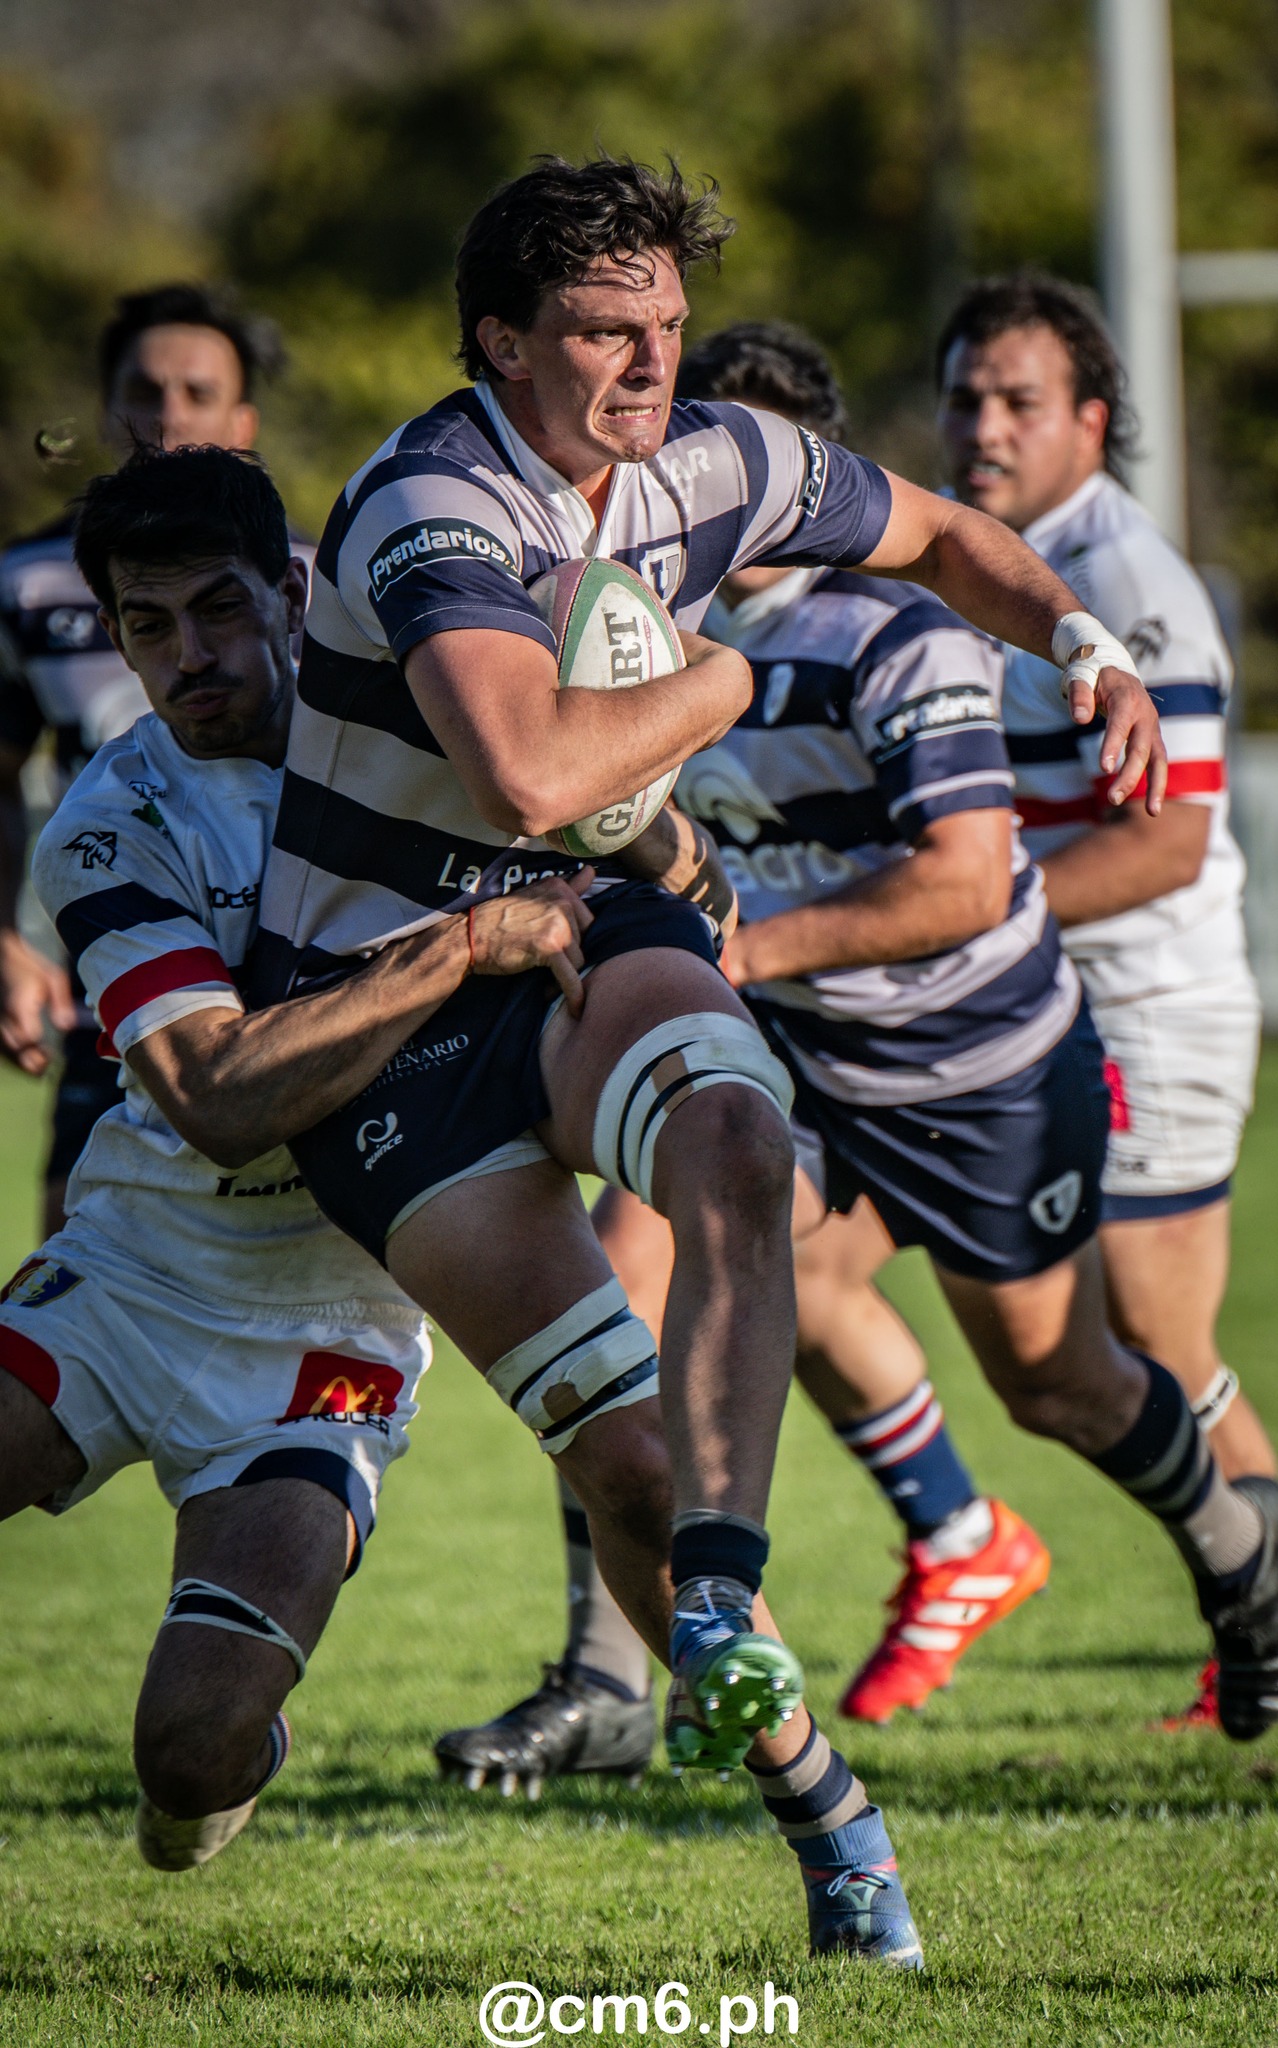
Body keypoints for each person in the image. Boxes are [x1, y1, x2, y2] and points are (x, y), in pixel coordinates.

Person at [427, 313, 1276, 1780]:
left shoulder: (900, 634)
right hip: (802, 1059)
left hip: (980, 1071)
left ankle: (1238, 1564)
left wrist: (739, 948)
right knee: (643, 1273)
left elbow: (958, 879)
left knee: (1057, 1378)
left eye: (722, 467)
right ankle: (627, 1672)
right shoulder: (634, 633)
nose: (684, 491)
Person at [0, 444, 596, 1877]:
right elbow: (213, 1096)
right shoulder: (113, 821)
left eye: (218, 608)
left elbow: (624, 838)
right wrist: (459, 949)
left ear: (294, 588)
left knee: (187, 1752)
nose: (188, 656)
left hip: (324, 1339)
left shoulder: (440, 745)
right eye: (148, 627)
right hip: (130, 1275)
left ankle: (217, 1770)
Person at [937, 271, 1276, 1728]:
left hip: (1150, 1006)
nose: (983, 426)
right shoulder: (985, 565)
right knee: (1057, 1364)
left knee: (1145, 1346)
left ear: (1089, 420)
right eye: (962, 398)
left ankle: (1257, 1613)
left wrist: (952, 918)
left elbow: (1170, 837)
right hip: (1040, 1008)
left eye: (1017, 400)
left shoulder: (1126, 585)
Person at [0, 282, 298, 1236]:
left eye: (198, 392)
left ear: (242, 418)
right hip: (125, 957)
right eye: (146, 388)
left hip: (301, 957)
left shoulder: (318, 573)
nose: (170, 414)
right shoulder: (25, 581)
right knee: (81, 1245)